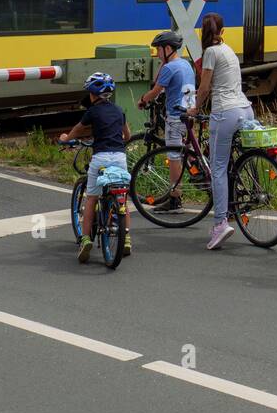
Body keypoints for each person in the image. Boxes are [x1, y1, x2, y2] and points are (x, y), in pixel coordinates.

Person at [188, 12, 254, 250]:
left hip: (225, 112)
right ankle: (245, 192)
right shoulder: (229, 50)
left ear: (203, 33)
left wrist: (195, 108)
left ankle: (220, 223)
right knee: (229, 163)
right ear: (223, 31)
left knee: (217, 168)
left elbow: (205, 87)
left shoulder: (210, 53)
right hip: (246, 109)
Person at [59, 71, 132, 264]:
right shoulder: (119, 110)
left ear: (92, 94)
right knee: (122, 198)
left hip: (100, 157)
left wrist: (67, 139)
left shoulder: (91, 112)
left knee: (91, 198)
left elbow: (77, 130)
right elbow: (128, 136)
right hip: (119, 157)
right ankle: (126, 239)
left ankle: (85, 239)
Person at [138, 29, 196, 212]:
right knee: (188, 150)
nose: (156, 54)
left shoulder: (170, 67)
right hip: (189, 114)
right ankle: (199, 174)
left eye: (158, 50)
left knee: (173, 157)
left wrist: (143, 100)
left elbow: (156, 90)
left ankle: (175, 198)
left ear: (168, 48)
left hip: (175, 117)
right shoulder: (185, 64)